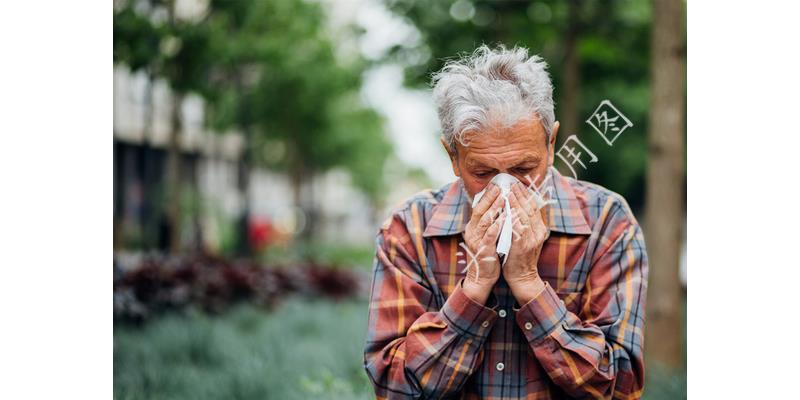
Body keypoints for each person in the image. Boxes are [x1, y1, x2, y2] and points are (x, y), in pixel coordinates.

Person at [363, 45, 648, 399]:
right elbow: (393, 387)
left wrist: (529, 284)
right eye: (482, 172)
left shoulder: (607, 222)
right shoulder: (409, 230)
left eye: (524, 169)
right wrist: (473, 289)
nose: (506, 187)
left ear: (552, 143)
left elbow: (620, 386)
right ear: (452, 156)